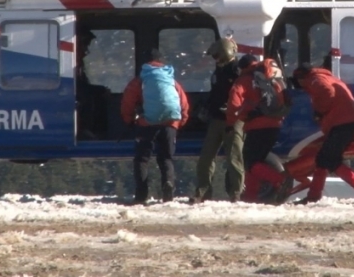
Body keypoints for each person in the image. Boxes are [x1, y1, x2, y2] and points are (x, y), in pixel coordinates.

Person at [291, 64, 354, 204]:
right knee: (324, 159)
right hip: (345, 121)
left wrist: (319, 112)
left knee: (327, 159)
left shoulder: (315, 80)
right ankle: (314, 195)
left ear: (301, 78)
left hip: (342, 123)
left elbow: (327, 92)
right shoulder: (326, 77)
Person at [121, 48, 189, 204]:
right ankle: (168, 187)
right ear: (162, 62)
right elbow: (183, 103)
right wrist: (179, 123)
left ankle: (141, 194)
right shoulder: (171, 80)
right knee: (166, 158)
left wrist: (129, 120)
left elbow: (128, 101)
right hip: (170, 124)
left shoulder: (141, 80)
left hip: (147, 124)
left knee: (142, 159)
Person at [226, 54, 289, 204]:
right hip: (275, 124)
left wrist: (230, 123)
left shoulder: (244, 80)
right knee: (255, 161)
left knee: (250, 162)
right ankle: (250, 197)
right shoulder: (269, 76)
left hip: (257, 126)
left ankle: (281, 181)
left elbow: (234, 103)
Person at [189, 37, 244, 204]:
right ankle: (203, 191)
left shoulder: (236, 70)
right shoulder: (219, 70)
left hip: (233, 119)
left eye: (217, 55)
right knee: (206, 157)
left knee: (234, 157)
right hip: (216, 119)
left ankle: (236, 193)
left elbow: (241, 95)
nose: (215, 59)